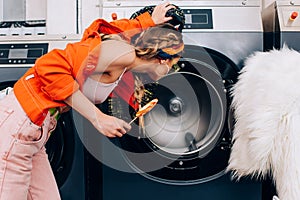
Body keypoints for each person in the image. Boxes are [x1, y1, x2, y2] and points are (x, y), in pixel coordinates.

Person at [0, 2, 184, 199]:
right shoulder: (123, 54)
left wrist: (148, 21)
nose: (172, 71)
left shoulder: (126, 56)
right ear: (163, 60)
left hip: (36, 130)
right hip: (20, 123)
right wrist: (98, 118)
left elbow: (113, 32)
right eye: (174, 65)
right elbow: (47, 65)